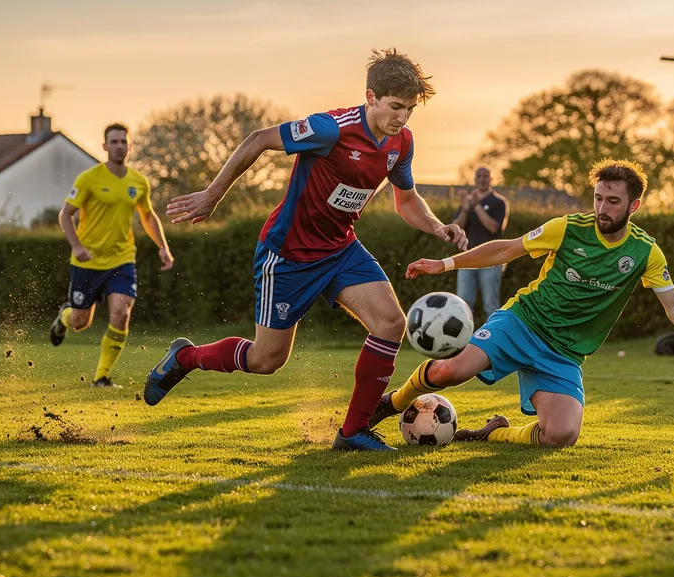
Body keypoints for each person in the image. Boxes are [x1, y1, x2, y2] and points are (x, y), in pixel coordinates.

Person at [144, 49, 468, 452]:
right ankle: (184, 357)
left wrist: (438, 226)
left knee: (390, 323)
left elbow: (405, 199)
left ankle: (352, 432)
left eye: (410, 109)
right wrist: (212, 195)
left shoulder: (401, 143)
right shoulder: (331, 128)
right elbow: (258, 139)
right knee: (266, 360)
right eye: (395, 106)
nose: (402, 117)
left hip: (341, 249)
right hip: (289, 254)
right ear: (371, 98)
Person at [367, 159, 674, 447]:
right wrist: (445, 263)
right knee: (453, 371)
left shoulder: (645, 252)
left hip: (564, 353)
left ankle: (494, 434)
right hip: (522, 323)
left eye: (613, 201)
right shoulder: (567, 228)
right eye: (599, 198)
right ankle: (394, 402)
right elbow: (506, 250)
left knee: (561, 435)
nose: (603, 208)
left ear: (633, 207)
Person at [49, 124, 174, 387]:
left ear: (130, 147)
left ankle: (102, 377)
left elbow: (148, 217)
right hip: (87, 262)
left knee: (121, 312)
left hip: (122, 260)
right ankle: (64, 317)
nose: (119, 146)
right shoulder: (88, 178)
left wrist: (162, 245)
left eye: (123, 142)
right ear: (105, 147)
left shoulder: (139, 182)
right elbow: (65, 215)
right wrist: (77, 246)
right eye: (113, 142)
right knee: (80, 321)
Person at [450, 166, 509, 317]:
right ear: (475, 180)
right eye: (479, 176)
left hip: (492, 260)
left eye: (485, 176)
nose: (482, 179)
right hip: (468, 258)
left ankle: (493, 338)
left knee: (490, 304)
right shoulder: (467, 203)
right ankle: (462, 339)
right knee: (463, 303)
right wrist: (464, 209)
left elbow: (493, 227)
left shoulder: (499, 202)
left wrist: (477, 206)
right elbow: (456, 228)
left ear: (491, 179)